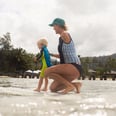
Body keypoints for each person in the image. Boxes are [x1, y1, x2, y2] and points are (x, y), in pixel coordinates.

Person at [44, 18, 82, 94]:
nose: (53, 28)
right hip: (71, 69)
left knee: (47, 71)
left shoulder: (64, 34)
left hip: (73, 66)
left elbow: (67, 40)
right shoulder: (61, 37)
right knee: (53, 88)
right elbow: (62, 55)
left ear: (58, 25)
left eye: (54, 26)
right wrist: (50, 54)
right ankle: (76, 85)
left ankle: (69, 86)